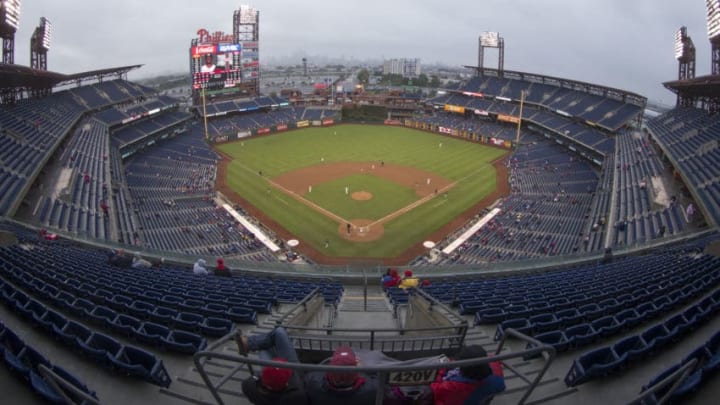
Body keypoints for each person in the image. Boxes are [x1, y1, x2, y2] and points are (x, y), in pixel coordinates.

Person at [235, 328, 309, 405]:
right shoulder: (297, 395)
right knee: (276, 335)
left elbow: (251, 380)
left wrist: (267, 376)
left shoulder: (248, 386)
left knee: (264, 345)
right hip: (294, 371)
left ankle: (248, 343)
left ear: (263, 377)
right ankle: (249, 343)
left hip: (276, 379)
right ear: (286, 383)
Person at [429, 345, 505, 405]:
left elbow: (435, 389)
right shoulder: (494, 364)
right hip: (479, 398)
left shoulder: (454, 386)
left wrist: (441, 370)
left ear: (464, 367)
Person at [304, 346, 377, 405]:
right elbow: (376, 379)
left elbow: (314, 375)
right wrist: (363, 370)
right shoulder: (373, 388)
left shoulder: (312, 382)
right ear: (356, 372)